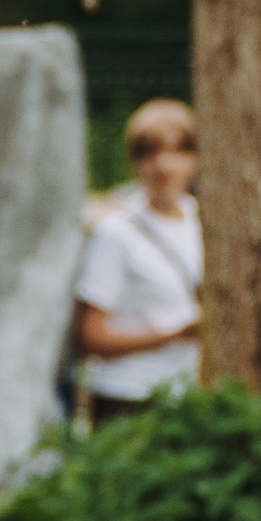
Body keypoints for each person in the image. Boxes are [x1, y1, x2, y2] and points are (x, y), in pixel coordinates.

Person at [74, 98, 203, 418]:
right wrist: (174, 334)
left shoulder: (203, 221)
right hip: (128, 396)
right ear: (135, 163)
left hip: (187, 394)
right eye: (150, 153)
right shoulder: (115, 233)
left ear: (195, 159)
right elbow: (91, 336)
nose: (164, 166)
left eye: (177, 152)